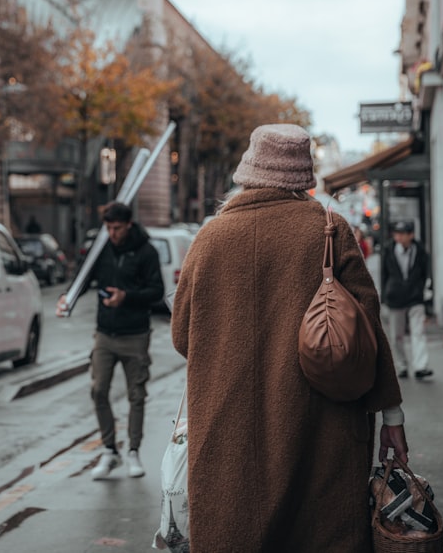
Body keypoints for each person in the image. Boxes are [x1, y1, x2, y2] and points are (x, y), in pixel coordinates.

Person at [170, 123, 407, 552]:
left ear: (249, 171)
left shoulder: (209, 239)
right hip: (323, 429)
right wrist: (392, 418)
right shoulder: (330, 233)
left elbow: (183, 338)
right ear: (304, 177)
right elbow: (369, 334)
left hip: (228, 435)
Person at [56, 201, 164, 480]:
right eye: (108, 227)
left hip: (135, 334)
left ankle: (133, 451)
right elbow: (83, 278)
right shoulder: (100, 250)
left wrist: (126, 296)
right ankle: (109, 450)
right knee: (98, 390)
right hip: (105, 333)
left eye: (117, 228)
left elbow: (157, 290)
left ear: (128, 225)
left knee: (136, 395)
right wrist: (67, 299)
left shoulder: (146, 251)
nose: (112, 233)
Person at [381, 219, 434, 379]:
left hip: (415, 297)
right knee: (397, 335)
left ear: (411, 235)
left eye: (402, 234)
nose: (399, 237)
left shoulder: (420, 251)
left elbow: (426, 273)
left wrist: (424, 291)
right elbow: (384, 274)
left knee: (418, 332)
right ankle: (402, 365)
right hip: (395, 297)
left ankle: (420, 366)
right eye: (396, 234)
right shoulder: (388, 250)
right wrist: (384, 296)